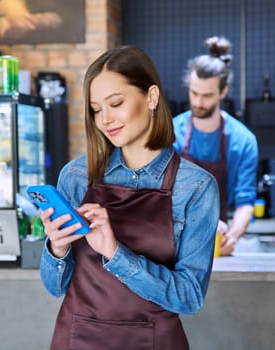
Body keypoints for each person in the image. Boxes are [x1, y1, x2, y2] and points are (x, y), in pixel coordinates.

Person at [39, 45, 219, 349]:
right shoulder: (76, 176)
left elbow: (189, 297)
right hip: (79, 339)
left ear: (151, 97)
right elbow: (56, 287)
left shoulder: (196, 187)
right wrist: (57, 249)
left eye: (116, 103)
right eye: (96, 109)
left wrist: (115, 252)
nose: (105, 119)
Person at [173, 36, 258, 256]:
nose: (199, 102)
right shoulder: (170, 134)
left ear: (223, 92)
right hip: (172, 240)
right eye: (194, 93)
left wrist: (232, 235)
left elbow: (245, 201)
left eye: (207, 95)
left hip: (217, 245)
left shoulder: (243, 141)